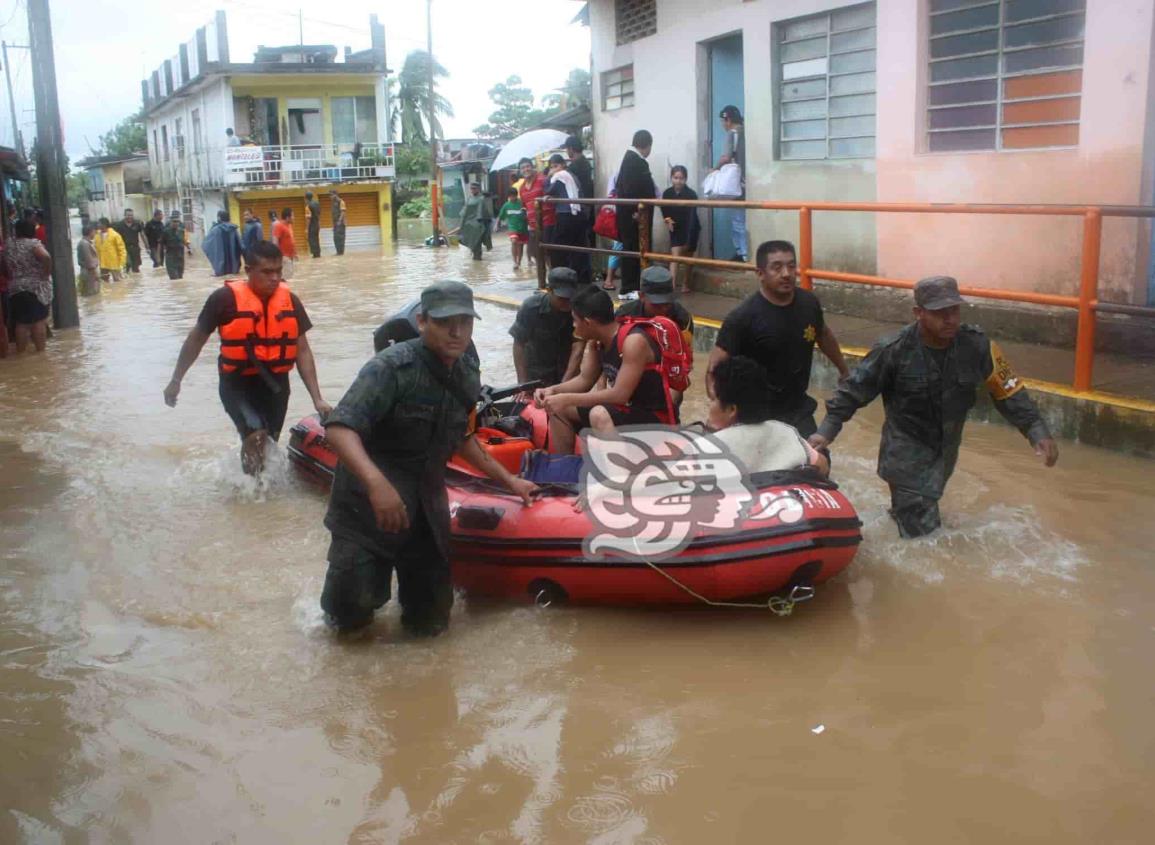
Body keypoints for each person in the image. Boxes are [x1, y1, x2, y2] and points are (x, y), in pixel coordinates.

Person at [319, 280, 537, 636]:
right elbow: (340, 428)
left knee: (430, 623)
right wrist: (378, 486)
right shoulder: (390, 368)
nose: (456, 331)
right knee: (349, 621)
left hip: (425, 510)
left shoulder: (465, 371)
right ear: (422, 321)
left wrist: (510, 481)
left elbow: (461, 437)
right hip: (367, 509)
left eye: (465, 322)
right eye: (445, 321)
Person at [811, 276, 1059, 538]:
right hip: (905, 453)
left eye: (954, 311)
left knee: (913, 518)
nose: (950, 319)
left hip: (945, 452)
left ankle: (893, 525)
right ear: (919, 313)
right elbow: (854, 391)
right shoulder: (893, 350)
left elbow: (1008, 390)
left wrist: (1036, 429)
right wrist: (826, 431)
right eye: (940, 313)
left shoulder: (978, 346)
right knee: (925, 538)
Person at [163, 239, 331, 474]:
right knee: (256, 435)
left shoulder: (290, 301)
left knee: (269, 442)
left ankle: (262, 494)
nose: (274, 278)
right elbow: (196, 339)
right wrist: (176, 380)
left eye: (278, 271)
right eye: (267, 272)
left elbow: (302, 350)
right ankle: (250, 496)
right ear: (248, 270)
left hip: (276, 386)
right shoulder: (223, 300)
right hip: (236, 384)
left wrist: (317, 398)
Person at [708, 240, 850, 438]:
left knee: (818, 464)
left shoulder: (808, 303)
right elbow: (715, 369)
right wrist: (719, 409)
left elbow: (823, 335)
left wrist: (844, 370)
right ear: (760, 274)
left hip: (797, 409)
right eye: (777, 267)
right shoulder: (742, 318)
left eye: (791, 266)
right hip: (757, 415)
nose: (786, 274)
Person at [536, 286, 676, 454]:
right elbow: (584, 380)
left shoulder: (633, 341)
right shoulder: (596, 342)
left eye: (575, 320)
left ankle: (618, 477)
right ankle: (563, 468)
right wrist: (553, 390)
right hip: (624, 412)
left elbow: (619, 395)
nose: (573, 325)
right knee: (557, 407)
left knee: (599, 413)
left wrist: (566, 398)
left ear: (588, 322)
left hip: (653, 418)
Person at [701, 355, 829, 477]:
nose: (709, 405)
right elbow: (823, 466)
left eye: (714, 400)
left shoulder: (707, 448)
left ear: (732, 410)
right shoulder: (785, 433)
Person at [510, 267, 585, 402]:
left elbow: (578, 348)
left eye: (570, 298)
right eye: (562, 298)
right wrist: (522, 383)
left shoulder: (580, 309)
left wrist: (562, 387)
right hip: (536, 377)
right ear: (549, 291)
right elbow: (518, 344)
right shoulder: (531, 308)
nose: (567, 303)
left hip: (568, 375)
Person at [615, 130, 657, 296]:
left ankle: (631, 287)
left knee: (632, 249)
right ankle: (629, 288)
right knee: (633, 250)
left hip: (630, 216)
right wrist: (636, 211)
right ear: (647, 145)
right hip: (634, 217)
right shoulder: (636, 162)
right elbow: (631, 189)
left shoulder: (629, 159)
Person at [615, 265, 695, 350]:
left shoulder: (682, 319)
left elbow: (685, 356)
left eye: (667, 303)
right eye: (657, 305)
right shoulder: (624, 316)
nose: (664, 309)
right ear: (641, 296)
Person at [6, 218, 52, 354]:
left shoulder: (9, 245)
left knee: (21, 323)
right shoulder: (33, 244)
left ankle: (21, 352)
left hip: (15, 288)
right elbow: (46, 257)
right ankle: (41, 353)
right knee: (38, 321)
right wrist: (45, 274)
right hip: (35, 288)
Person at [661, 166, 701, 294]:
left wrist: (689, 238)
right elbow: (664, 210)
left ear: (686, 179)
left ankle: (686, 283)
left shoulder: (691, 194)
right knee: (675, 257)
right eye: (676, 178)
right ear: (671, 178)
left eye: (681, 178)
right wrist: (667, 220)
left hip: (691, 227)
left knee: (688, 259)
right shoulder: (667, 193)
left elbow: (692, 216)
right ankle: (671, 286)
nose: (678, 181)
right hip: (676, 228)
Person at [545, 153, 585, 279]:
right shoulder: (571, 176)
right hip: (577, 213)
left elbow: (548, 190)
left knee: (557, 248)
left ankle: (560, 278)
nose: (554, 169)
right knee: (576, 248)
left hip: (565, 214)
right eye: (552, 167)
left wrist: (549, 176)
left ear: (563, 165)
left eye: (555, 166)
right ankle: (578, 278)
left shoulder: (560, 175)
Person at [717, 105, 747, 262]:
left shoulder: (732, 134)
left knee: (738, 221)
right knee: (744, 219)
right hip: (748, 183)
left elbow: (726, 158)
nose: (723, 125)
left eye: (723, 121)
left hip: (737, 185)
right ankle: (744, 252)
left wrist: (715, 169)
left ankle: (742, 253)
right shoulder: (747, 131)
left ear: (728, 120)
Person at [518, 157, 551, 269]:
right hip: (532, 226)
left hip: (547, 222)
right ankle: (543, 281)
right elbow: (524, 206)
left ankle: (552, 277)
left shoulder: (543, 180)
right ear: (520, 171)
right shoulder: (521, 188)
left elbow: (551, 196)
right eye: (523, 168)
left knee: (548, 254)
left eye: (527, 166)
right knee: (534, 253)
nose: (525, 169)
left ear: (532, 168)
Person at [456, 182, 492, 261]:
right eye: (471, 188)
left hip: (477, 225)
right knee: (471, 244)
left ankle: (478, 263)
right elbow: (464, 212)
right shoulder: (469, 198)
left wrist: (481, 224)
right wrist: (461, 225)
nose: (472, 190)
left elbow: (483, 213)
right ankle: (476, 265)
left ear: (478, 189)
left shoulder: (481, 199)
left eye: (474, 188)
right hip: (468, 225)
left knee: (477, 245)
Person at [496, 187, 528, 270]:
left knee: (521, 246)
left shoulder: (522, 203)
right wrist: (496, 225)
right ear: (508, 196)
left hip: (523, 228)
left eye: (514, 196)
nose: (512, 198)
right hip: (512, 227)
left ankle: (519, 262)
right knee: (514, 241)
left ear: (516, 195)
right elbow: (500, 216)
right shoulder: (506, 205)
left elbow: (527, 213)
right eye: (511, 196)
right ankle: (514, 262)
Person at [158, 212, 191, 280]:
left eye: (177, 222)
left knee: (180, 278)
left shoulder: (182, 231)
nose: (176, 223)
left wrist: (189, 249)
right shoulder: (166, 232)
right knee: (174, 278)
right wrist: (159, 257)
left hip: (180, 258)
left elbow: (185, 241)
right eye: (174, 221)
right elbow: (160, 244)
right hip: (170, 258)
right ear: (170, 222)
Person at [113, 209, 146, 274]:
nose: (130, 217)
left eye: (131, 215)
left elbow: (143, 235)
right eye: (128, 215)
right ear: (124, 215)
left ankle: (135, 281)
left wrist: (147, 246)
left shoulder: (137, 223)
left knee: (136, 267)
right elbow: (115, 238)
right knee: (128, 263)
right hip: (124, 248)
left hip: (135, 248)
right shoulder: (119, 225)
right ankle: (127, 277)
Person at [95, 217, 127, 283]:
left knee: (118, 281)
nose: (97, 225)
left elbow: (122, 249)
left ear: (104, 224)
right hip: (102, 263)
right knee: (104, 282)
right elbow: (95, 249)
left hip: (114, 263)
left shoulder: (115, 235)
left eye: (99, 223)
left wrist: (122, 263)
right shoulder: (97, 235)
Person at [76, 222, 100, 297]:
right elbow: (90, 263)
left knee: (89, 294)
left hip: (87, 272)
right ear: (90, 232)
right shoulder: (85, 244)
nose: (95, 233)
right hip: (89, 273)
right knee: (92, 295)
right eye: (94, 232)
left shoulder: (84, 243)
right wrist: (96, 275)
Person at [329, 189, 347, 256]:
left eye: (331, 195)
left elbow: (343, 212)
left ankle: (341, 253)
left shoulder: (341, 202)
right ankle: (338, 252)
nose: (330, 196)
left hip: (340, 223)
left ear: (335, 195)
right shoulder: (333, 203)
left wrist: (340, 221)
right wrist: (333, 226)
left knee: (340, 238)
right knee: (335, 238)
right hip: (335, 223)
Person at [304, 191, 322, 258]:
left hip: (312, 225)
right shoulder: (317, 204)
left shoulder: (308, 206)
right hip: (317, 224)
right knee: (316, 239)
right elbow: (319, 215)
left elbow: (308, 218)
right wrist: (319, 224)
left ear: (306, 198)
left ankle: (315, 254)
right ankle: (318, 253)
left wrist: (307, 228)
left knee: (312, 239)